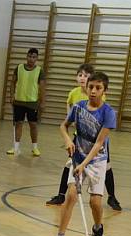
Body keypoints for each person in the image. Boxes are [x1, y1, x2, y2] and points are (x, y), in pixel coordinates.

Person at [50, 72, 116, 236]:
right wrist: (68, 141)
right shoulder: (78, 107)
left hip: (96, 160)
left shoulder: (109, 113)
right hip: (78, 157)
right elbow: (63, 126)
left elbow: (99, 143)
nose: (93, 91)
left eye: (98, 88)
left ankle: (97, 227)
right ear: (86, 88)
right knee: (70, 196)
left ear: (105, 91)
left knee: (95, 202)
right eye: (91, 87)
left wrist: (83, 164)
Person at [48, 64, 121, 211]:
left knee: (106, 167)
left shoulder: (98, 95)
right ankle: (61, 194)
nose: (83, 78)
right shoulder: (74, 93)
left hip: (97, 141)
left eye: (86, 75)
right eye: (80, 75)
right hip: (79, 137)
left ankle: (112, 196)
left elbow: (99, 117)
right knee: (69, 164)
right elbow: (69, 112)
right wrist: (69, 134)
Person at [6, 48, 44, 157]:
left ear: (36, 58)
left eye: (34, 57)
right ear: (26, 56)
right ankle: (16, 147)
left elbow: (42, 88)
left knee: (33, 125)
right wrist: (11, 95)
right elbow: (13, 82)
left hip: (32, 103)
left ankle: (35, 148)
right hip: (19, 102)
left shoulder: (39, 71)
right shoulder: (19, 68)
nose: (31, 59)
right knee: (18, 124)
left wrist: (42, 102)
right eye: (29, 56)